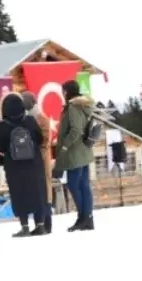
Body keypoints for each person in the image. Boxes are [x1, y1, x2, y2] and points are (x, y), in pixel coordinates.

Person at [0, 92, 49, 236]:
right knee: (37, 193)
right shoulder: (30, 120)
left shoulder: (2, 125)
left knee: (19, 194)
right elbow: (40, 138)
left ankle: (24, 227)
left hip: (14, 167)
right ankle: (40, 225)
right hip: (34, 164)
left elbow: (0, 146)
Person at [54, 79, 97, 231]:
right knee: (84, 185)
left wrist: (65, 145)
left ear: (66, 92)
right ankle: (88, 218)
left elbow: (76, 130)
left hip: (75, 152)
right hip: (84, 150)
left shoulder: (73, 107)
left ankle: (83, 217)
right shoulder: (83, 105)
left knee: (73, 184)